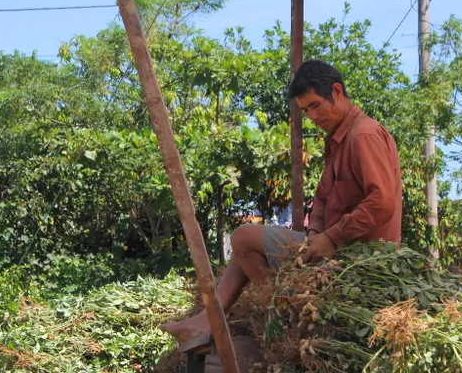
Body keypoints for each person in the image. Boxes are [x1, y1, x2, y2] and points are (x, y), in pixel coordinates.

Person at [161, 60, 402, 342]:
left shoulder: (364, 135)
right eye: (306, 110)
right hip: (332, 246)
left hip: (358, 255)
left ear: (337, 91)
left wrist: (331, 237)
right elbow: (322, 197)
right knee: (242, 249)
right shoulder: (338, 140)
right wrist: (315, 232)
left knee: (242, 237)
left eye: (315, 105)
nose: (312, 116)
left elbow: (382, 202)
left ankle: (283, 317)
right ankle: (209, 320)